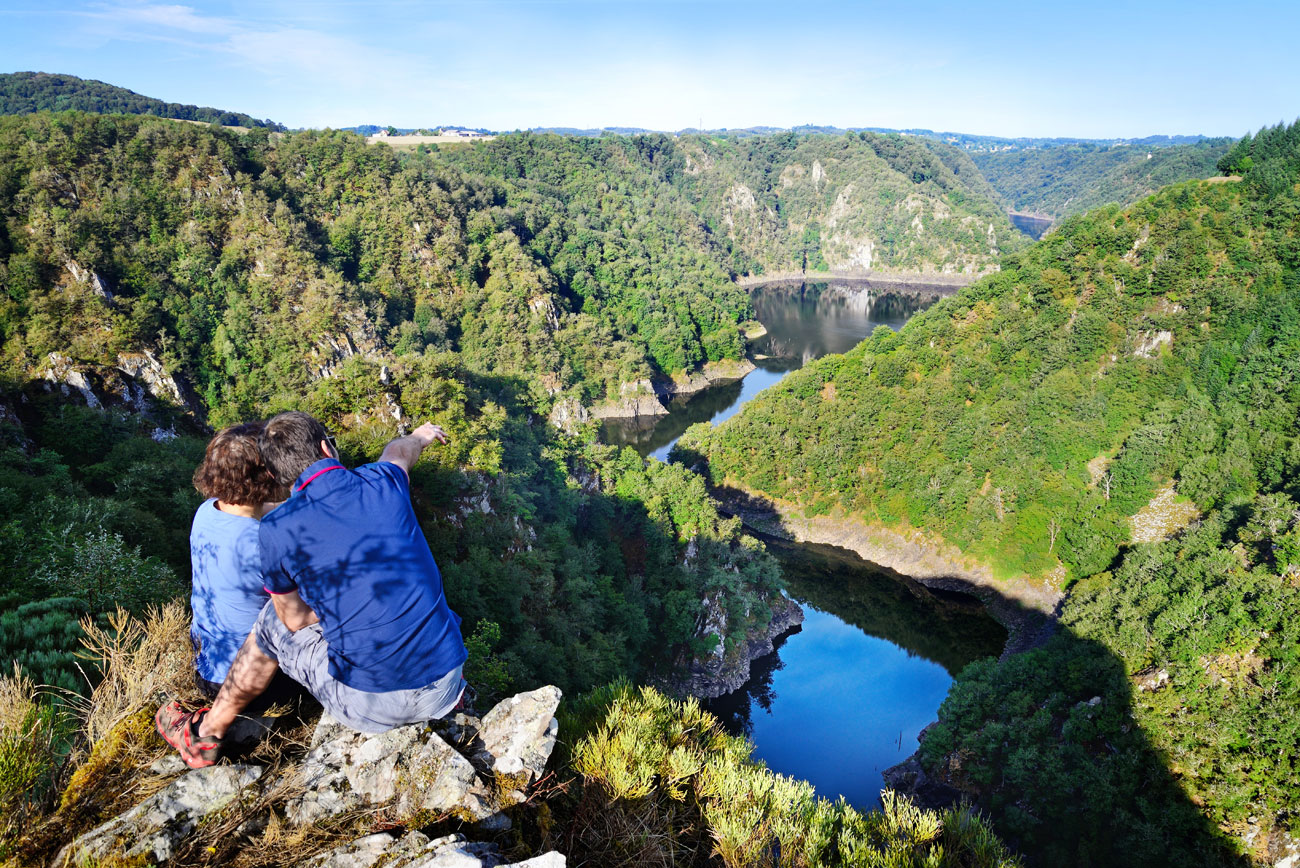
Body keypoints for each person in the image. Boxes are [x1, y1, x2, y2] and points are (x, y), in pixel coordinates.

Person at [157, 412, 467, 768]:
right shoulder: (383, 481)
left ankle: (206, 734)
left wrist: (341, 599)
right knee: (406, 589)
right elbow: (398, 450)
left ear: (275, 472)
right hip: (446, 686)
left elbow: (294, 618)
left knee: (277, 616)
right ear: (324, 447)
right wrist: (421, 436)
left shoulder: (255, 524)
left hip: (368, 705)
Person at [188, 422, 301, 711]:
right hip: (254, 686)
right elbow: (298, 618)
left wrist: (302, 503)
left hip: (209, 667)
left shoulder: (208, 511)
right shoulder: (264, 543)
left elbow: (259, 509)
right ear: (268, 474)